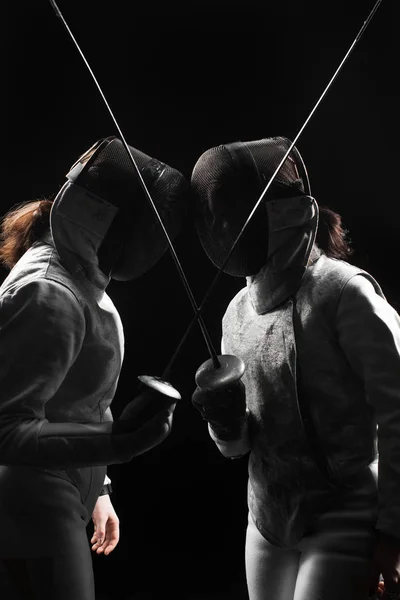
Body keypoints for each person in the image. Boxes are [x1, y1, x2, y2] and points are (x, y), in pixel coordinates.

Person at [190, 136, 400, 600]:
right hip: (266, 517)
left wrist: (393, 534)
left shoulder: (344, 292)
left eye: (236, 210)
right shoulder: (236, 312)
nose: (225, 225)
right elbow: (241, 447)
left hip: (345, 512)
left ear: (280, 213)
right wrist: (225, 424)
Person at [0, 135, 187, 600]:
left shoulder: (77, 275)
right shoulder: (49, 293)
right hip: (30, 507)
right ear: (105, 220)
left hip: (57, 494)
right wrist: (117, 442)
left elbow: (75, 404)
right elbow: (6, 429)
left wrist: (99, 488)